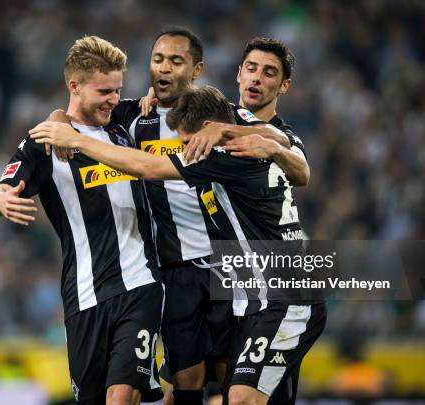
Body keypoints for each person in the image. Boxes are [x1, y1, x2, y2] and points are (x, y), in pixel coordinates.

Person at [46, 27, 308, 405]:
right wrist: (58, 119)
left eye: (176, 61)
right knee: (186, 377)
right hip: (173, 268)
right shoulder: (133, 116)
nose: (164, 68)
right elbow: (79, 108)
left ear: (196, 69)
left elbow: (292, 156)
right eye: (158, 59)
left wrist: (273, 144)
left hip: (228, 265)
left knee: (232, 375)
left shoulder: (220, 116)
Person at [0, 35, 163, 405]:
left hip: (140, 284)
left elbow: (170, 108)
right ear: (74, 86)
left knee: (123, 395)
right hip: (84, 296)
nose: (114, 99)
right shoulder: (44, 141)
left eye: (118, 90)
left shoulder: (126, 124)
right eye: (104, 91)